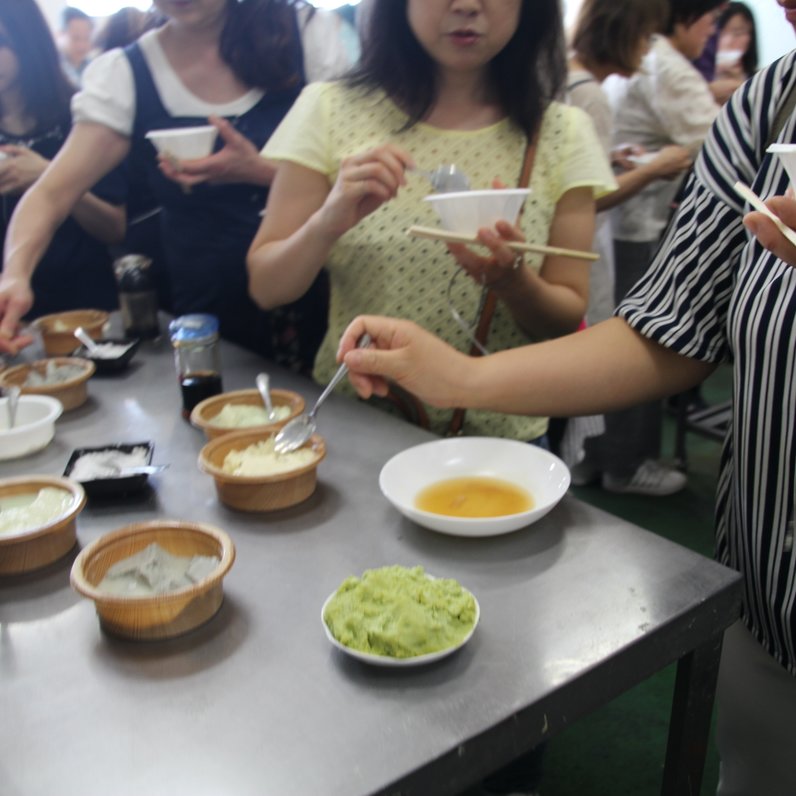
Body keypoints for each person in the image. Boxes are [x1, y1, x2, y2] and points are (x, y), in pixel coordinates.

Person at [336, 1, 796, 789]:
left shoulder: (563, 128)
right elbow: (667, 331)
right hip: (769, 580)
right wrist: (459, 373)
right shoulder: (771, 103)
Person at [247, 0, 615, 445]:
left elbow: (565, 319)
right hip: (359, 421)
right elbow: (267, 288)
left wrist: (513, 281)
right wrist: (326, 222)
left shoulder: (563, 131)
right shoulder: (329, 108)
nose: (466, 6)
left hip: (499, 438)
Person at [0, 0, 352, 370]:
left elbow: (361, 175)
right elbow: (51, 192)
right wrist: (15, 274)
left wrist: (259, 170)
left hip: (327, 292)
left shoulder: (304, 33)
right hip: (207, 308)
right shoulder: (128, 71)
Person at [587, 0, 724, 496]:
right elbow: (722, 142)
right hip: (638, 226)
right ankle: (627, 463)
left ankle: (597, 456)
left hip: (620, 227)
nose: (711, 36)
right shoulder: (664, 63)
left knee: (613, 332)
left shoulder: (633, 68)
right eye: (712, 23)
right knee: (644, 343)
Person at [560, 0, 693, 467]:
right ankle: (607, 465)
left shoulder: (567, 78)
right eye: (645, 36)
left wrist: (613, 161)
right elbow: (589, 199)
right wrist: (657, 167)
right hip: (583, 249)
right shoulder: (590, 94)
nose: (649, 48)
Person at [0, 0, 125, 321]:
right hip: (10, 306)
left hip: (84, 305)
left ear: (25, 42)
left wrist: (46, 176)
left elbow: (113, 228)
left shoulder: (84, 118)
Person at [710, 1, 759, 101]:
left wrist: (743, 84)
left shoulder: (762, 80)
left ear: (750, 37)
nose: (728, 41)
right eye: (721, 33)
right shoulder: (696, 78)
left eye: (738, 33)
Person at [58, 7, 94, 87]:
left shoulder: (94, 67)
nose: (82, 45)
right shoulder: (54, 68)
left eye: (86, 38)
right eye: (75, 38)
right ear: (61, 34)